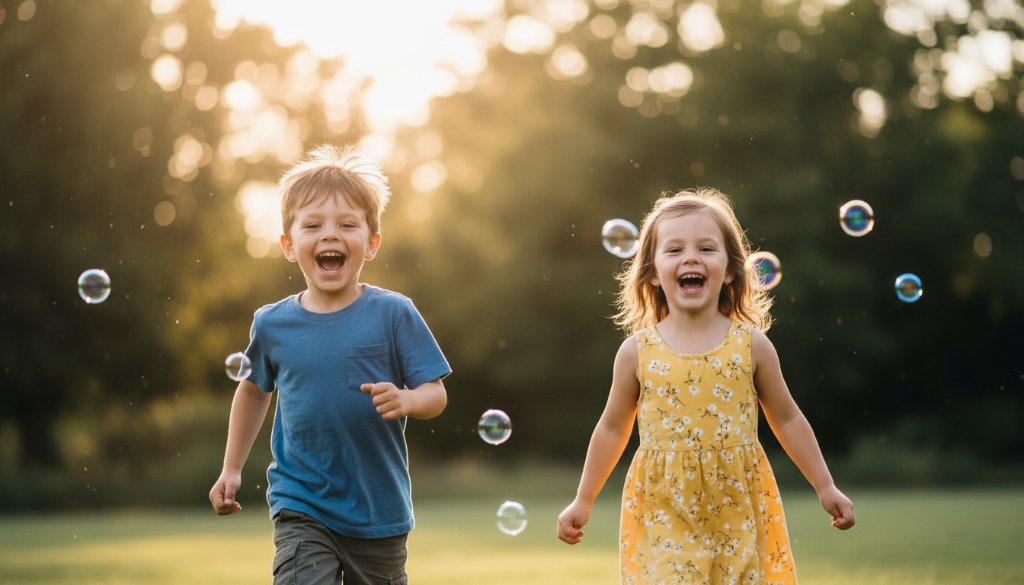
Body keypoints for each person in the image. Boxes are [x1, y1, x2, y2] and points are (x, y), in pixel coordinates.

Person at [557, 188, 854, 584]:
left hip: (737, 506)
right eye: (675, 249)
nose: (691, 258)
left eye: (706, 248)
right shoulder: (636, 352)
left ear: (731, 270)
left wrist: (825, 485)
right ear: (651, 272)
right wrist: (584, 498)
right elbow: (612, 428)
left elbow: (787, 418)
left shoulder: (751, 345)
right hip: (666, 506)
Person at [209, 144, 451, 585]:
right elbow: (252, 390)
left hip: (379, 512)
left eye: (347, 225)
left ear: (372, 243)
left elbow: (436, 394)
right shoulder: (272, 324)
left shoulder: (394, 314)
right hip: (301, 504)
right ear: (288, 244)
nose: (330, 235)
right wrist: (231, 468)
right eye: (313, 225)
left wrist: (408, 398)